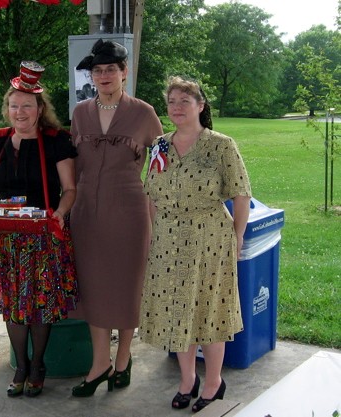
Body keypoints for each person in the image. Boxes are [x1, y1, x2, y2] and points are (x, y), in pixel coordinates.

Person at [139, 76, 251, 413]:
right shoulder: (160, 145)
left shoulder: (221, 145)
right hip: (168, 240)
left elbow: (241, 194)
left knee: (209, 310)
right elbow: (151, 194)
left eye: (184, 101)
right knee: (176, 311)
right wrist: (154, 234)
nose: (176, 108)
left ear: (200, 106)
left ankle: (214, 381)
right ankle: (187, 379)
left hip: (209, 239)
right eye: (171, 102)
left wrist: (238, 237)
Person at [0, 61, 78, 397]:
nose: (20, 112)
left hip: (43, 237)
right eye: (14, 106)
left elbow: (70, 189)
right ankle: (21, 365)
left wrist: (60, 213)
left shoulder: (57, 141)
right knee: (13, 304)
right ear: (7, 108)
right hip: (5, 240)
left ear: (40, 109)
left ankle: (38, 365)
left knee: (40, 303)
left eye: (27, 106)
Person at [69, 39, 164, 397]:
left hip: (130, 212)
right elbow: (71, 166)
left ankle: (123, 359)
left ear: (125, 72)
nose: (104, 75)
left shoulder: (144, 113)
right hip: (86, 215)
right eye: (98, 70)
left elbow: (161, 169)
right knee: (93, 288)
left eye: (111, 69)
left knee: (127, 286)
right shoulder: (80, 113)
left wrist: (160, 217)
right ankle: (100, 363)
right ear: (91, 76)